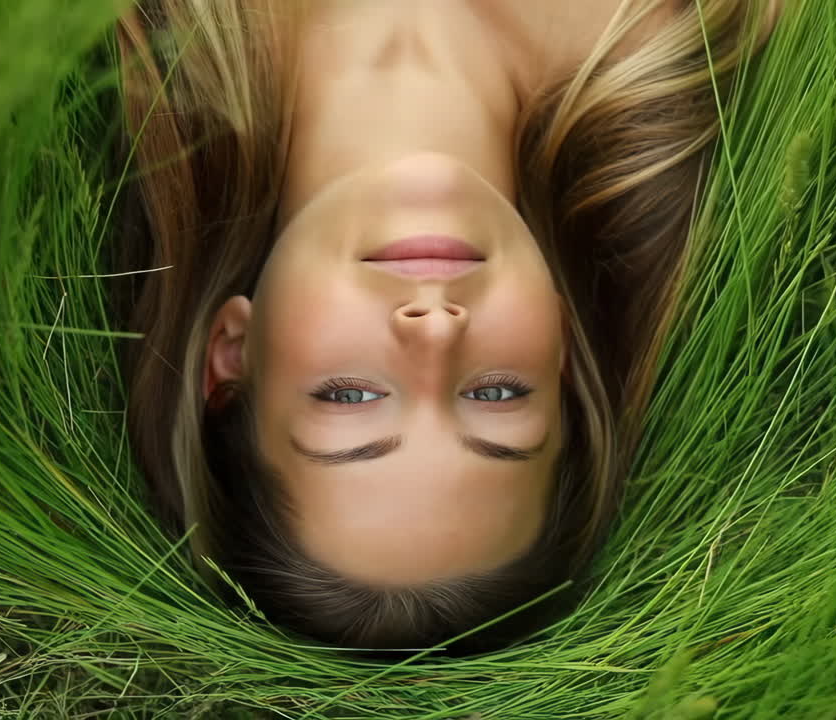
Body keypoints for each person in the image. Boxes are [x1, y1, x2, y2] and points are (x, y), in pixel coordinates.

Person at [114, 0, 776, 652]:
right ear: (563, 351)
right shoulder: (678, 46)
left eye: (350, 395)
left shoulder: (162, 36)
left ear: (232, 354)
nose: (434, 333)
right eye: (496, 394)